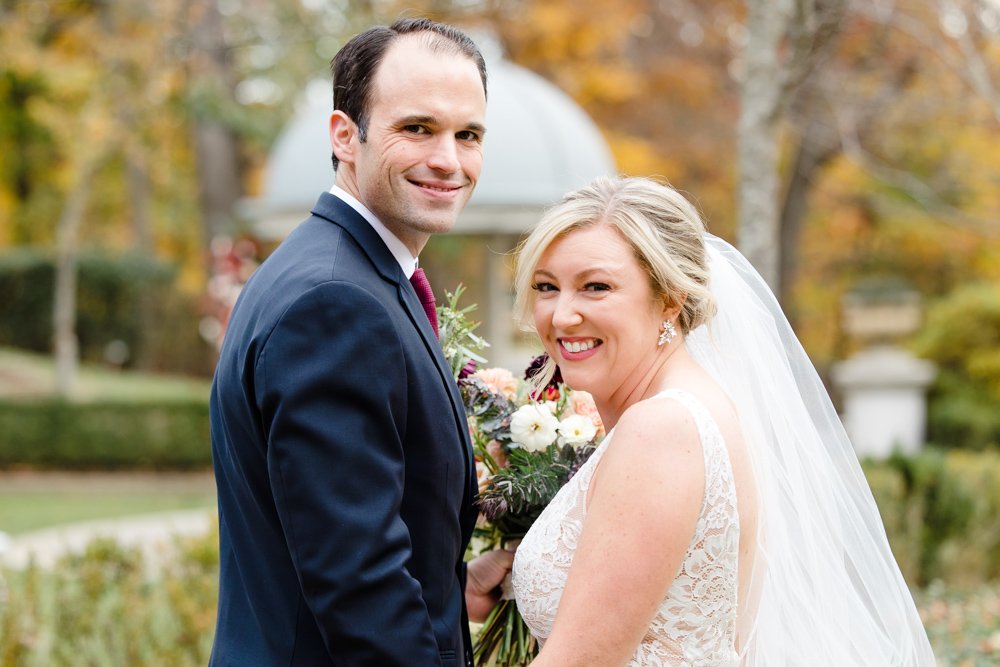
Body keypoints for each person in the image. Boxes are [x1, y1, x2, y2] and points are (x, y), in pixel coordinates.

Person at [509, 175, 936, 665]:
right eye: (546, 287)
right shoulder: (700, 406)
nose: (562, 316)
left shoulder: (662, 431)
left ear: (670, 297)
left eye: (596, 287)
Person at [209, 18, 512, 667]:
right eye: (417, 128)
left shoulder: (342, 273)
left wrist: (455, 589)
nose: (449, 160)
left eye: (469, 135)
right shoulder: (335, 303)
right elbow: (360, 586)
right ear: (345, 135)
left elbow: (333, 543)